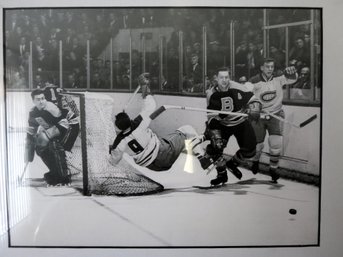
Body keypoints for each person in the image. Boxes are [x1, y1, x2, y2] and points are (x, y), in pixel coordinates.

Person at [109, 73, 211, 172]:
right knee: (187, 130)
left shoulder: (119, 141)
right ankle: (202, 153)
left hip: (154, 167)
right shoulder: (138, 123)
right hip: (163, 153)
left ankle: (201, 140)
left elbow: (113, 160)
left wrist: (111, 149)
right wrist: (144, 86)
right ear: (128, 119)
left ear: (119, 128)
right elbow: (150, 106)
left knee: (180, 139)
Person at [205, 67, 262, 186]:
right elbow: (211, 116)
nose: (224, 80)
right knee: (214, 149)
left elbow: (252, 99)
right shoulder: (211, 93)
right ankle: (221, 175)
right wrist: (215, 133)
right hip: (223, 124)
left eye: (226, 77)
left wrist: (255, 107)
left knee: (251, 150)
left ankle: (233, 163)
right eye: (221, 77)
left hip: (241, 122)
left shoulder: (237, 87)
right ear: (216, 78)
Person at [249, 58, 297, 183]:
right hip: (259, 116)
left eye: (272, 67)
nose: (270, 69)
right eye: (267, 66)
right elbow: (245, 92)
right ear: (261, 68)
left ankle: (273, 169)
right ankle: (255, 161)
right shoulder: (254, 81)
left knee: (276, 145)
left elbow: (292, 80)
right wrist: (251, 106)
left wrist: (292, 73)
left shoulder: (279, 77)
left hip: (276, 114)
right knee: (257, 145)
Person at [24, 89, 77, 186]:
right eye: (38, 99)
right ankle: (54, 173)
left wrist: (47, 136)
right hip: (58, 126)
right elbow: (31, 130)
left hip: (71, 125)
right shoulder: (32, 112)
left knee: (54, 145)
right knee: (40, 148)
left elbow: (63, 124)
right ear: (33, 101)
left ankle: (63, 177)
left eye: (43, 98)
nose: (41, 101)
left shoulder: (51, 108)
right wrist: (29, 147)